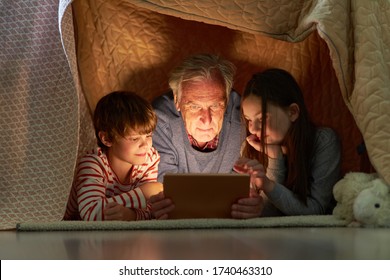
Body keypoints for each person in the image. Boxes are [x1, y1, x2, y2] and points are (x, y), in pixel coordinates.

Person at [150, 53, 263, 219]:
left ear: (227, 100)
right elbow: (164, 189)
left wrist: (253, 204)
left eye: (216, 106)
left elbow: (244, 190)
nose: (207, 119)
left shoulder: (244, 117)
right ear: (177, 101)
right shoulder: (159, 120)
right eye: (195, 106)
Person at [233, 68, 341, 216]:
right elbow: (265, 215)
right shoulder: (250, 147)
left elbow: (316, 209)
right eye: (249, 120)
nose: (253, 129)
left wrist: (268, 184)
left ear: (292, 112)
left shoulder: (323, 141)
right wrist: (275, 159)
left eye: (263, 118)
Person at [64, 91, 162, 221]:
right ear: (107, 139)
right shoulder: (93, 164)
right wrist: (143, 193)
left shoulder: (149, 159)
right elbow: (91, 213)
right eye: (134, 139)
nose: (145, 145)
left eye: (148, 135)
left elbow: (150, 211)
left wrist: (131, 215)